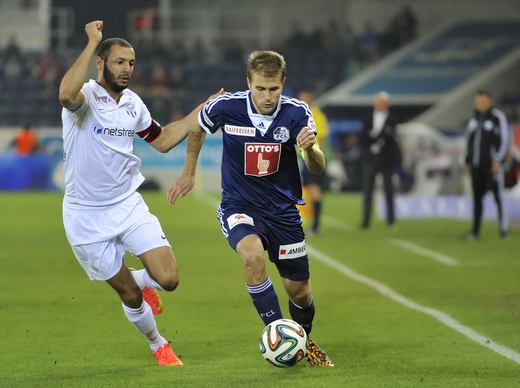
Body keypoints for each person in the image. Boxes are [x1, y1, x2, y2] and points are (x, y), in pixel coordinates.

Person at [58, 20, 220, 367]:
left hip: (128, 205)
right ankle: (158, 343)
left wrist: (201, 110)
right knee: (130, 294)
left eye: (131, 63)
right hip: (85, 216)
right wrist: (92, 43)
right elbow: (65, 95)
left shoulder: (133, 104)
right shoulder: (85, 97)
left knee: (170, 279)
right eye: (119, 62)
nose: (127, 69)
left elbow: (162, 140)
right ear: (101, 63)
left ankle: (141, 278)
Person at [168, 50, 334, 367]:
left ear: (283, 83)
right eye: (260, 88)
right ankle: (277, 334)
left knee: (298, 291)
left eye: (273, 89)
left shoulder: (298, 113)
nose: (267, 96)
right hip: (239, 205)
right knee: (253, 257)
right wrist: (189, 172)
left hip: (283, 212)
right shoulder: (226, 106)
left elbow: (317, 167)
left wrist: (310, 147)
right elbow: (196, 128)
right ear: (249, 83)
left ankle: (304, 340)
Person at [463, 90, 510, 240]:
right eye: (477, 102)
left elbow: (504, 140)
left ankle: (503, 230)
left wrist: (498, 160)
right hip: (476, 166)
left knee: (498, 197)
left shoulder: (498, 118)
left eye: (482, 101)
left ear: (490, 101)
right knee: (477, 199)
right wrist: (467, 161)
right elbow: (468, 143)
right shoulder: (474, 120)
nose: (480, 104)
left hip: (492, 166)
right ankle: (475, 231)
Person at [360, 91, 401, 229]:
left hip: (386, 159)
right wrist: (376, 140)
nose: (379, 104)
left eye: (382, 102)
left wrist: (377, 137)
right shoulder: (367, 117)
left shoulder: (393, 118)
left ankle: (391, 220)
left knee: (389, 190)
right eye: (378, 101)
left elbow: (390, 135)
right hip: (371, 158)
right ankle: (366, 221)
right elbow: (364, 136)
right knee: (367, 190)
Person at [297, 90, 329, 234]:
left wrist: (315, 157)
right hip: (303, 158)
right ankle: (309, 221)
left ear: (311, 99)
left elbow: (321, 138)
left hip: (312, 158)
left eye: (304, 99)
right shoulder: (300, 114)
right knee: (307, 189)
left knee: (314, 189)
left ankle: (316, 225)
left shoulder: (317, 115)